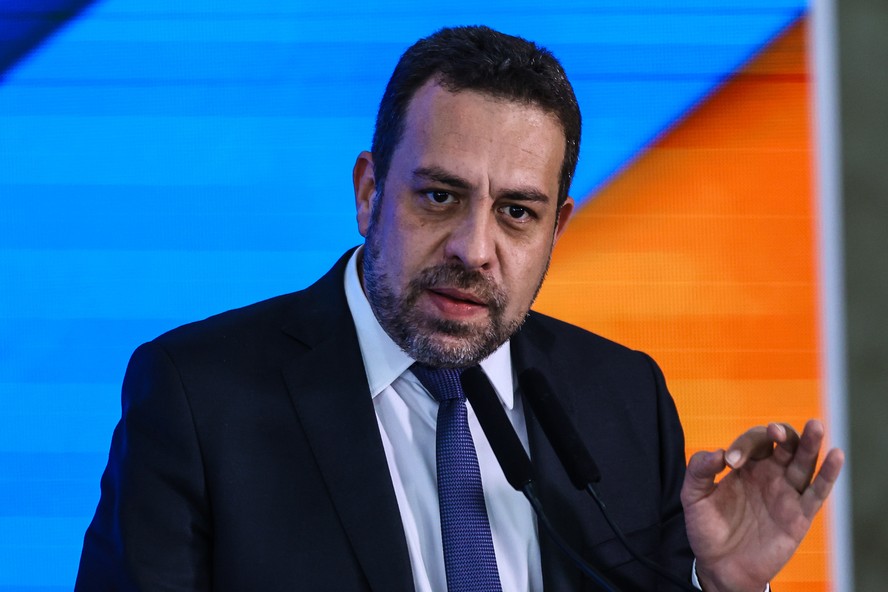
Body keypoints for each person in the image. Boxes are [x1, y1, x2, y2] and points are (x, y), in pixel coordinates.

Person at [75, 25, 844, 592]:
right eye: (440, 197)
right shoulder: (200, 396)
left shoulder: (622, 398)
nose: (475, 249)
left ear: (557, 230)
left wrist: (721, 585)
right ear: (369, 191)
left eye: (517, 213)